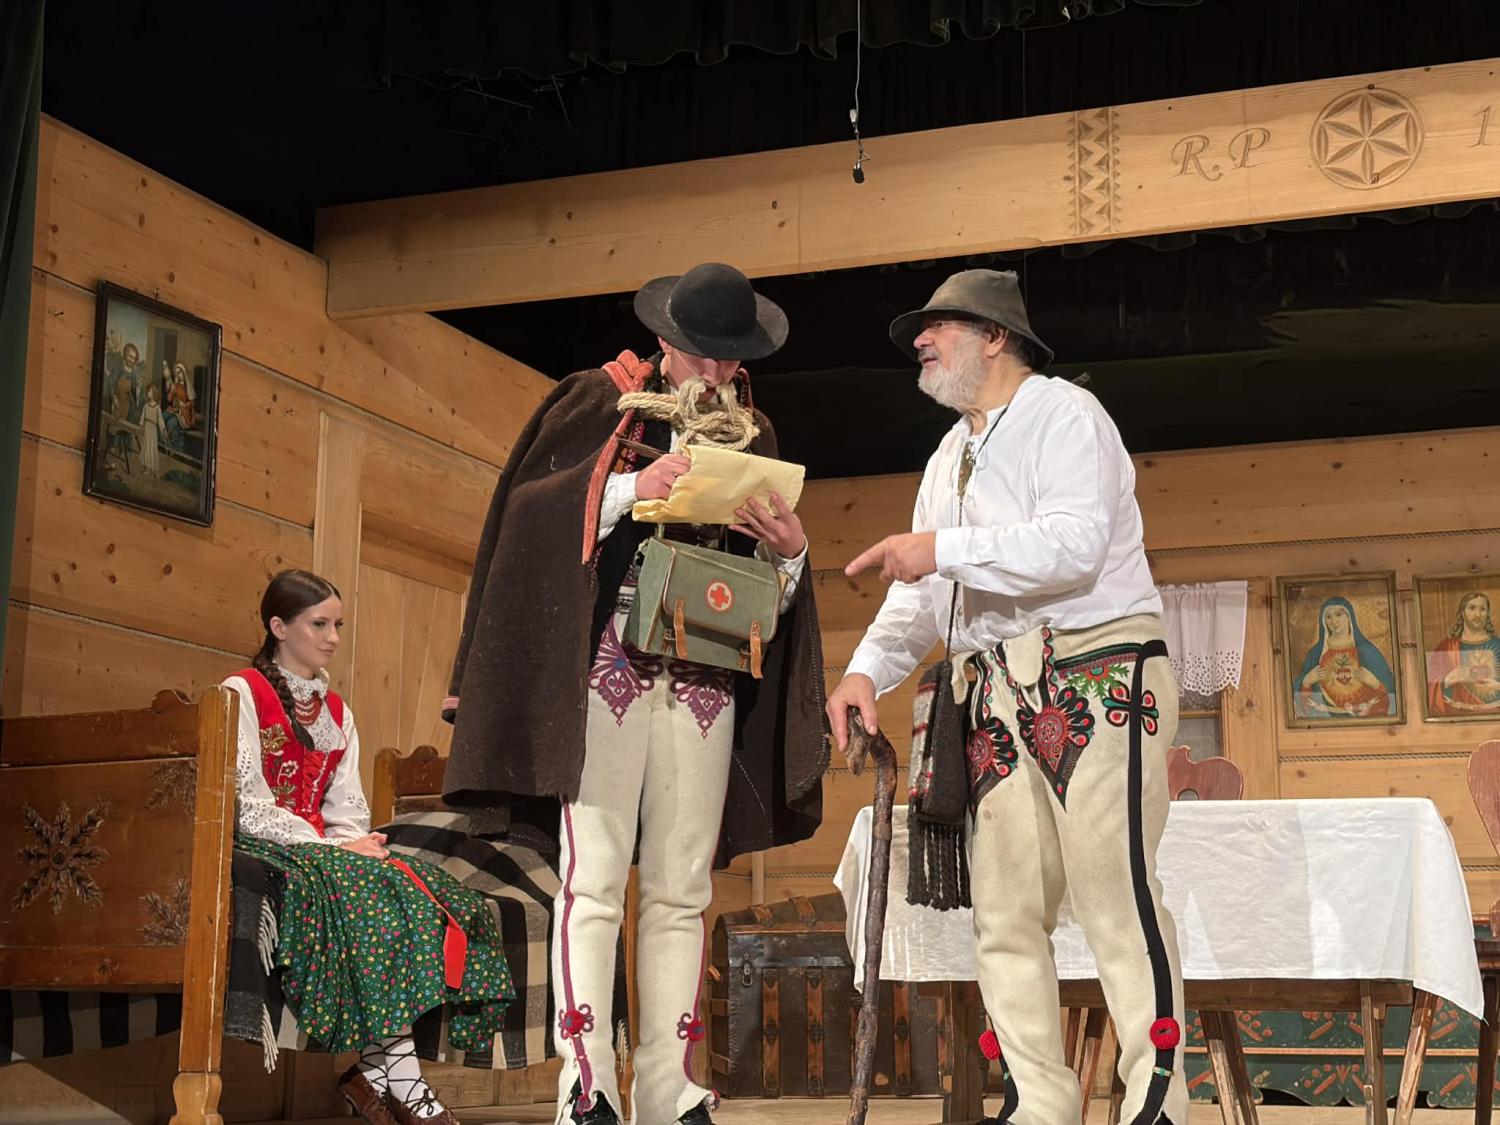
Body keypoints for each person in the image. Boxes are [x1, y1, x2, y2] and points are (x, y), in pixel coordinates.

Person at [442, 263, 828, 1125]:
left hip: (704, 675)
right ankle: (587, 1082)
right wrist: (625, 488)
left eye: (729, 359)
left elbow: (771, 600)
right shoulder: (601, 400)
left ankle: (667, 1083)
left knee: (683, 885)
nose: (715, 373)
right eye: (701, 355)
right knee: (596, 875)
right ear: (665, 339)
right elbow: (526, 517)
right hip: (607, 666)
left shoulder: (754, 432)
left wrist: (792, 550)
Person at [826, 270, 1188, 1124]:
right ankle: (1039, 1102)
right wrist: (865, 670)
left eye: (938, 327)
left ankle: (1155, 1096)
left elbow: (1074, 544)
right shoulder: (947, 456)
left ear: (994, 336)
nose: (920, 341)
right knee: (1005, 911)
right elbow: (921, 597)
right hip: (991, 688)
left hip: (1096, 667)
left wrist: (943, 548)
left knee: (1115, 891)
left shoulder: (1066, 413)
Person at [226, 569, 516, 1125]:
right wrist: (331, 848)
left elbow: (346, 807)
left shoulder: (338, 712)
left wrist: (353, 841)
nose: (333, 637)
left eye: (337, 625)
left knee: (425, 886)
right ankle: (398, 1080)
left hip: (320, 846)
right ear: (279, 627)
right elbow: (247, 804)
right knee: (372, 888)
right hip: (268, 841)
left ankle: (377, 1076)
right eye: (319, 624)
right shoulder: (243, 693)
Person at [1294, 597, 1395, 719]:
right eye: (1328, 617)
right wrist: (1306, 682)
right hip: (1325, 716)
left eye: (1338, 614)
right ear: (1324, 621)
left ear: (1349, 617)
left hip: (1364, 715)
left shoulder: (1367, 651)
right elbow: (1300, 698)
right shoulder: (1316, 653)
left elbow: (1390, 693)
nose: (1333, 621)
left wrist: (1376, 684)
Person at [1428, 591, 1500, 716]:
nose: (1478, 614)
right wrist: (1447, 680)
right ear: (1462, 612)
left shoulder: (1498, 645)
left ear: (1488, 613)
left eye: (1483, 609)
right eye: (1472, 608)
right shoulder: (1447, 647)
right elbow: (1428, 689)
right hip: (1457, 716)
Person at [138, 384, 165, 476]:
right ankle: (146, 468)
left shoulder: (157, 407)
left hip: (153, 430)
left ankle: (154, 470)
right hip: (146, 428)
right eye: (147, 391)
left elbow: (160, 419)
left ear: (154, 393)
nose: (148, 393)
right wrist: (141, 425)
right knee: (146, 447)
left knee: (152, 448)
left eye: (149, 391)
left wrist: (163, 429)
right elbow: (142, 416)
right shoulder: (146, 406)